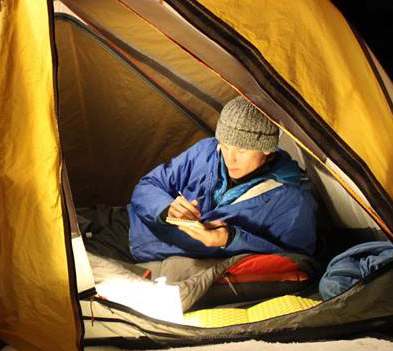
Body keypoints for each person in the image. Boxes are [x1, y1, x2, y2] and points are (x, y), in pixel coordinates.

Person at [80, 96, 316, 264]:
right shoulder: (206, 152)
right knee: (53, 220)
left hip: (134, 247)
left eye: (242, 151)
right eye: (225, 145)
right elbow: (147, 186)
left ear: (267, 150)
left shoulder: (292, 201)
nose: (230, 158)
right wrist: (166, 208)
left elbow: (297, 260)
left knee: (59, 262)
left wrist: (229, 239)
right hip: (126, 217)